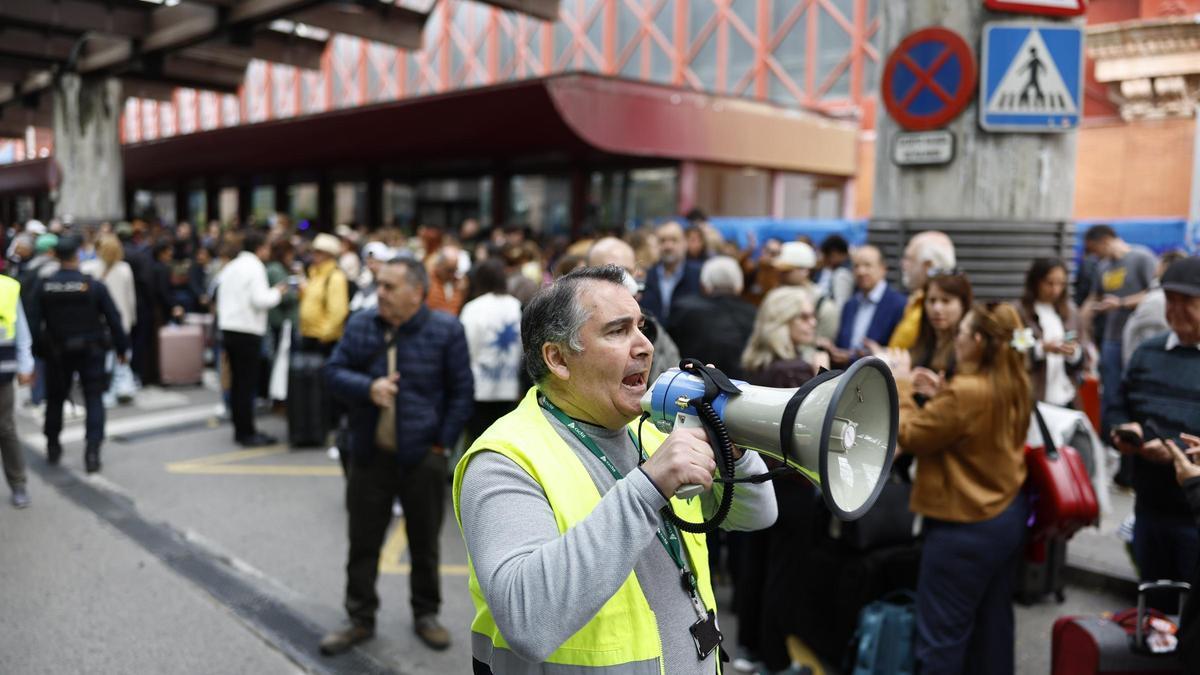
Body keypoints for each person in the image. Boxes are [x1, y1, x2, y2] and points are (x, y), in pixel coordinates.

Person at [455, 264, 777, 673]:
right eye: (618, 331)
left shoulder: (654, 433)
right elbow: (527, 620)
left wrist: (736, 451)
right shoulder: (504, 459)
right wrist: (649, 485)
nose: (645, 345)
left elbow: (758, 516)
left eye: (642, 327)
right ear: (557, 358)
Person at [319, 258, 474, 655]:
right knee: (363, 541)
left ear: (417, 292)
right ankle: (359, 617)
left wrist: (441, 443)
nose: (380, 294)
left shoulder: (446, 330)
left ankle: (426, 613)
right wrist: (367, 387)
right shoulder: (361, 325)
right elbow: (332, 372)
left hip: (423, 457)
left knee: (425, 542)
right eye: (379, 286)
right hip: (370, 455)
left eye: (389, 287)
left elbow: (461, 393)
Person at [885, 302, 1032, 675]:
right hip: (1005, 514)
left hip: (963, 524)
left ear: (979, 341)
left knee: (941, 637)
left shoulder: (966, 392)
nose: (958, 340)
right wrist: (942, 397)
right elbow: (973, 427)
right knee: (992, 628)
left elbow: (909, 434)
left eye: (964, 333)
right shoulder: (1015, 380)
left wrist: (900, 384)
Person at [735, 285, 825, 674]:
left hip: (761, 479)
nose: (813, 322)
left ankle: (752, 649)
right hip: (791, 484)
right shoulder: (793, 370)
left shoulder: (759, 362)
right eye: (803, 316)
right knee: (784, 576)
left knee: (758, 569)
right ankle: (776, 659)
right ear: (781, 323)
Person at [1109, 257, 1200, 608]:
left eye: (1187, 302)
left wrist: (1176, 449)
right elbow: (1116, 407)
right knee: (1155, 614)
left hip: (1195, 514)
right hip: (1150, 509)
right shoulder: (1147, 353)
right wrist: (1122, 430)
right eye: (1170, 300)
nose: (1176, 310)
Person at [27, 236, 130, 473]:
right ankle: (92, 452)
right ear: (77, 256)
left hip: (57, 353)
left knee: (55, 399)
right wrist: (123, 349)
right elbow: (114, 319)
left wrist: (32, 356)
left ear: (55, 256)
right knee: (94, 398)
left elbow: (33, 323)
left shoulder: (45, 286)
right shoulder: (93, 286)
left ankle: (53, 445)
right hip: (90, 351)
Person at [1081, 225, 1156, 441]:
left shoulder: (1141, 257)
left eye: (1094, 249)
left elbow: (1155, 294)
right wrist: (1081, 324)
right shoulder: (1103, 267)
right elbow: (1093, 299)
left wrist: (1121, 303)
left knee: (1136, 389)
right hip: (1111, 338)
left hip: (1138, 339)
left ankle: (1140, 436)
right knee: (1111, 391)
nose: (1094, 255)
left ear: (1105, 240)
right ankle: (1114, 438)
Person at [214, 231, 283, 448]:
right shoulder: (255, 266)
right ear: (261, 247)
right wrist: (278, 292)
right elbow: (260, 299)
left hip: (229, 328)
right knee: (246, 384)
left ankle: (241, 429)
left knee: (237, 384)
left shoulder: (233, 266)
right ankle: (247, 432)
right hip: (247, 330)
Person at [587, 237, 680, 384]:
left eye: (629, 272)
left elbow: (671, 369)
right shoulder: (580, 322)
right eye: (614, 271)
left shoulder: (651, 326)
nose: (625, 280)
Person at [460, 258, 523, 445]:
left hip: (478, 388)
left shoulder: (473, 308)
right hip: (510, 387)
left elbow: (465, 349)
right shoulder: (516, 305)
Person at [667, 256, 757, 380]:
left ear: (704, 285)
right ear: (739, 286)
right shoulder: (753, 314)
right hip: (742, 389)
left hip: (692, 386)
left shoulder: (684, 310)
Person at [1015, 258, 1084, 407]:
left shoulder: (1071, 312)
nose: (1055, 290)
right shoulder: (1020, 313)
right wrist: (1042, 348)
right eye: (1049, 283)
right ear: (1036, 281)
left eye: (1061, 284)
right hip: (1034, 395)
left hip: (1066, 394)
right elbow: (1015, 353)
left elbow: (1082, 354)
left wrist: (1073, 352)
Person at [81, 234, 138, 406]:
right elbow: (131, 299)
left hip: (98, 321)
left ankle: (106, 390)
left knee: (102, 358)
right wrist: (131, 319)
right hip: (122, 320)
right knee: (120, 356)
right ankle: (120, 387)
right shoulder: (125, 269)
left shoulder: (88, 268)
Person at [828, 245, 906, 366]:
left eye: (867, 265)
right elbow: (842, 344)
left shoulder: (899, 305)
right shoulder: (850, 305)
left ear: (883, 268)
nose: (861, 271)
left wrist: (852, 358)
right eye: (856, 266)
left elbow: (898, 353)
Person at [0, 273, 35, 506]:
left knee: (5, 428)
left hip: (1, 373)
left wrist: (25, 365)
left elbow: (21, 331)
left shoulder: (7, 287)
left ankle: (18, 483)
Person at [889, 231, 957, 350]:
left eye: (909, 259)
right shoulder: (915, 300)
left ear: (928, 265)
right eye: (932, 301)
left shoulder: (938, 310)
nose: (903, 264)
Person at [1122, 249, 1188, 366]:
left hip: (1152, 366)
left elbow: (1136, 335)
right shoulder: (1157, 296)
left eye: (1159, 264)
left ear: (1164, 267)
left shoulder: (1156, 300)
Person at [641, 221, 702, 325]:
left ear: (684, 243)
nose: (668, 246)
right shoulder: (646, 277)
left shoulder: (698, 276)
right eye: (662, 241)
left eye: (674, 240)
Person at [299, 232, 350, 356]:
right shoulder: (314, 274)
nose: (314, 255)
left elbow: (338, 311)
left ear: (329, 255)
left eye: (319, 252)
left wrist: (325, 334)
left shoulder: (335, 277)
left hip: (323, 339)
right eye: (314, 251)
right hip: (308, 334)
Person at [815, 234, 854, 309]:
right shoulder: (825, 269)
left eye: (826, 256)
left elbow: (841, 305)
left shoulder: (843, 273)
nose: (824, 259)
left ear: (835, 253)